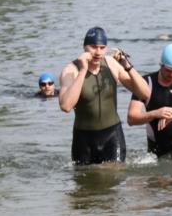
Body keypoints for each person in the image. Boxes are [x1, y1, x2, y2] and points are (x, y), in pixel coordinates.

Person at [58, 27, 149, 165]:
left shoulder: (111, 65)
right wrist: (83, 70)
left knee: (112, 178)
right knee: (85, 184)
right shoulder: (71, 71)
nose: (98, 52)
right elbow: (65, 106)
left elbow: (145, 93)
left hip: (112, 136)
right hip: (83, 140)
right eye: (93, 47)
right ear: (84, 47)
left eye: (102, 47)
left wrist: (127, 66)